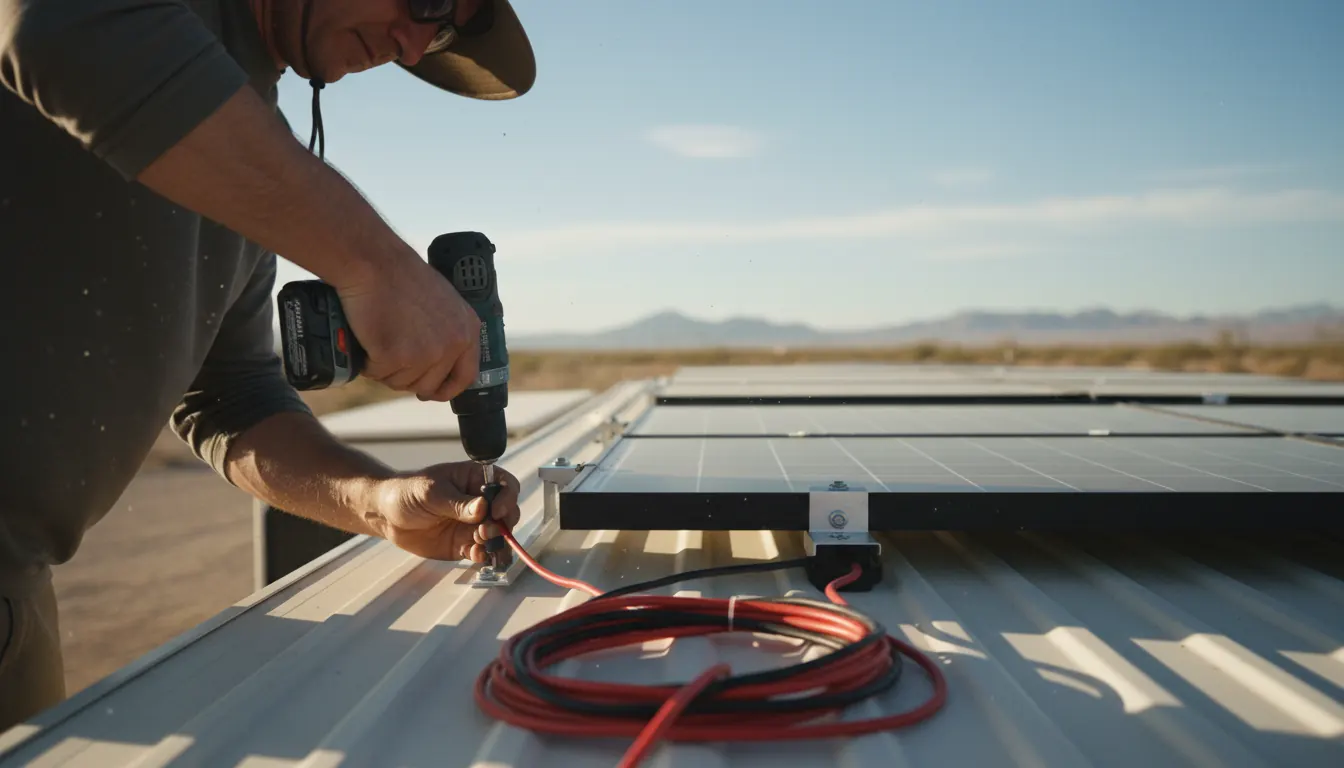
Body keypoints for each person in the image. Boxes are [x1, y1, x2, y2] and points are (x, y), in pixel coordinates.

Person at [0, 0, 534, 731]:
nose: (413, 49)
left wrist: (376, 501)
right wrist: (374, 264)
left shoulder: (251, 155)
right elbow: (54, 25)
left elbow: (228, 398)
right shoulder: (139, 25)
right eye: (425, 2)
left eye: (440, 33)